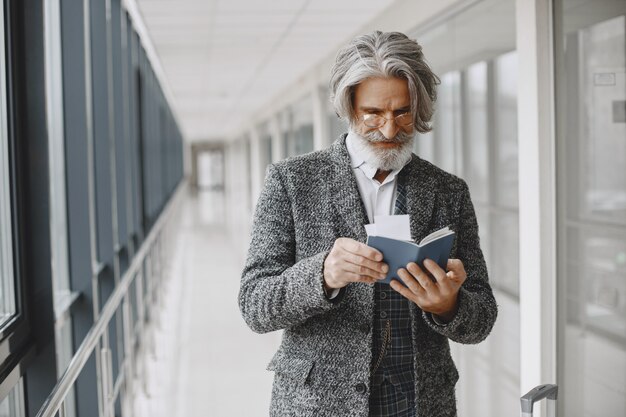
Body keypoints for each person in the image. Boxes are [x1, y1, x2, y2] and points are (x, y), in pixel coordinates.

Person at [239, 31, 497, 417]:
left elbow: (481, 318)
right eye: (373, 114)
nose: (390, 130)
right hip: (318, 404)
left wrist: (449, 305)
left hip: (419, 401)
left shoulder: (448, 191)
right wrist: (322, 275)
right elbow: (255, 305)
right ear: (349, 107)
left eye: (403, 113)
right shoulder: (291, 182)